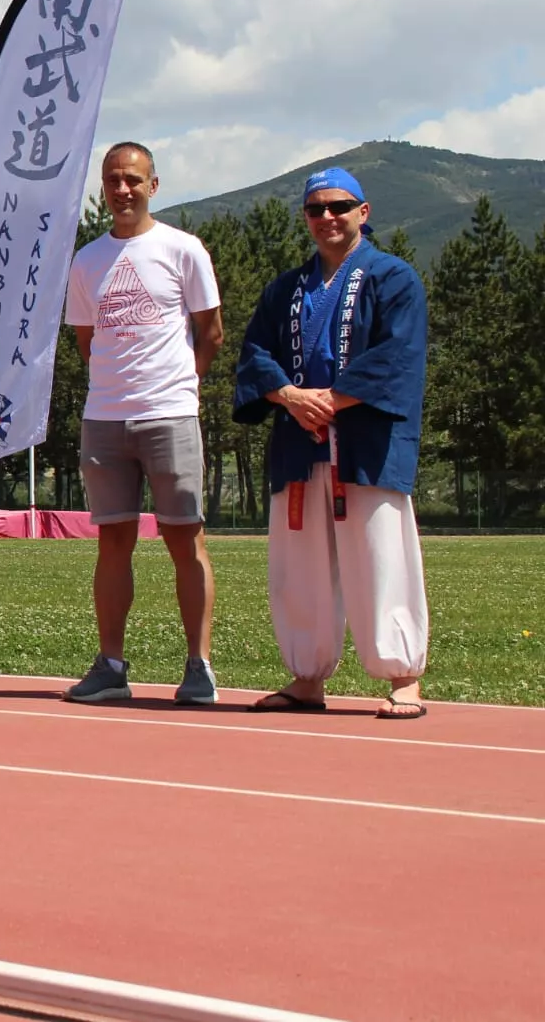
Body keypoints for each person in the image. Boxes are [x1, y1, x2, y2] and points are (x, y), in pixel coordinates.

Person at [234, 168, 430, 719]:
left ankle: (402, 675)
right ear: (306, 217)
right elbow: (256, 356)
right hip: (299, 444)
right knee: (300, 566)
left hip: (367, 444)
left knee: (380, 556)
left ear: (363, 212)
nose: (328, 218)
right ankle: (306, 676)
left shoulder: (393, 279)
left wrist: (330, 400)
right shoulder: (284, 291)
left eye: (339, 207)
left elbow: (396, 356)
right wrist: (292, 397)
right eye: (316, 209)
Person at [61, 143, 226, 705]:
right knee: (113, 541)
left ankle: (198, 668)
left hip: (170, 415)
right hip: (105, 418)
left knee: (185, 537)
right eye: (112, 180)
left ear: (153, 185)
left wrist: (180, 387)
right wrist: (120, 388)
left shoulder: (183, 250)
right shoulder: (86, 261)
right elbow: (88, 341)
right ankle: (111, 666)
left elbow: (212, 332)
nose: (122, 189)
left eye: (133, 179)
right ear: (103, 189)